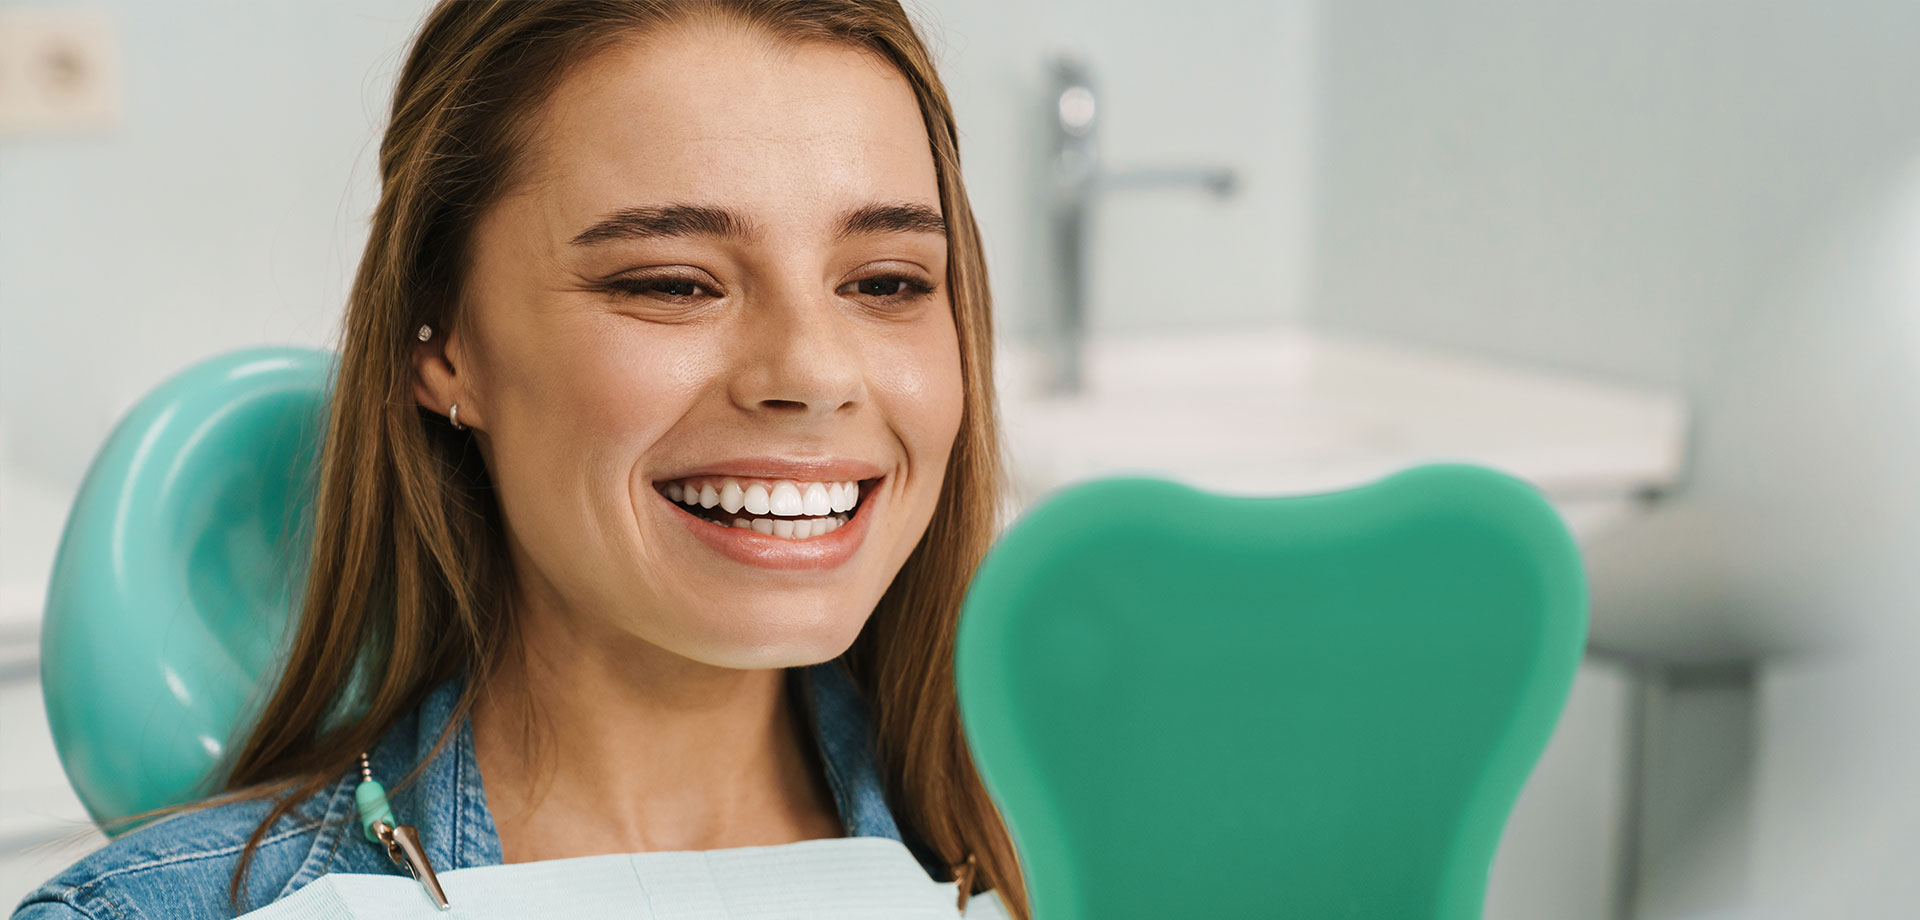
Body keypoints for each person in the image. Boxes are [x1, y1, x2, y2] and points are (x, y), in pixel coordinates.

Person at [12, 1, 1026, 917]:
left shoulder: (1083, 863)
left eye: (888, 282)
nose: (811, 370)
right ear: (442, 340)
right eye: (674, 283)